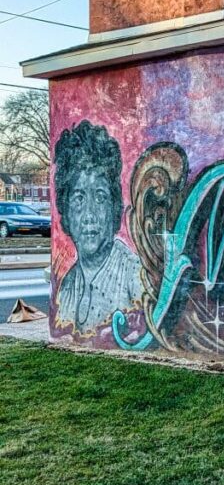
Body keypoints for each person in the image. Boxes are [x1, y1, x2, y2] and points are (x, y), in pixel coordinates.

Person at [54, 121, 142, 332]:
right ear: (65, 210)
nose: (89, 214)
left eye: (100, 197)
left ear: (114, 208)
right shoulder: (67, 286)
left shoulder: (134, 277)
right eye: (78, 198)